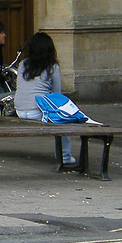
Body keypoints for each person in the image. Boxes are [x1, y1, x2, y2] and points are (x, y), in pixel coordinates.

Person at [14, 31, 76, 166]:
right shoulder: (52, 66)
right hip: (37, 111)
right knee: (64, 120)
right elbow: (57, 94)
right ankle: (64, 156)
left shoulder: (23, 64)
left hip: (19, 109)